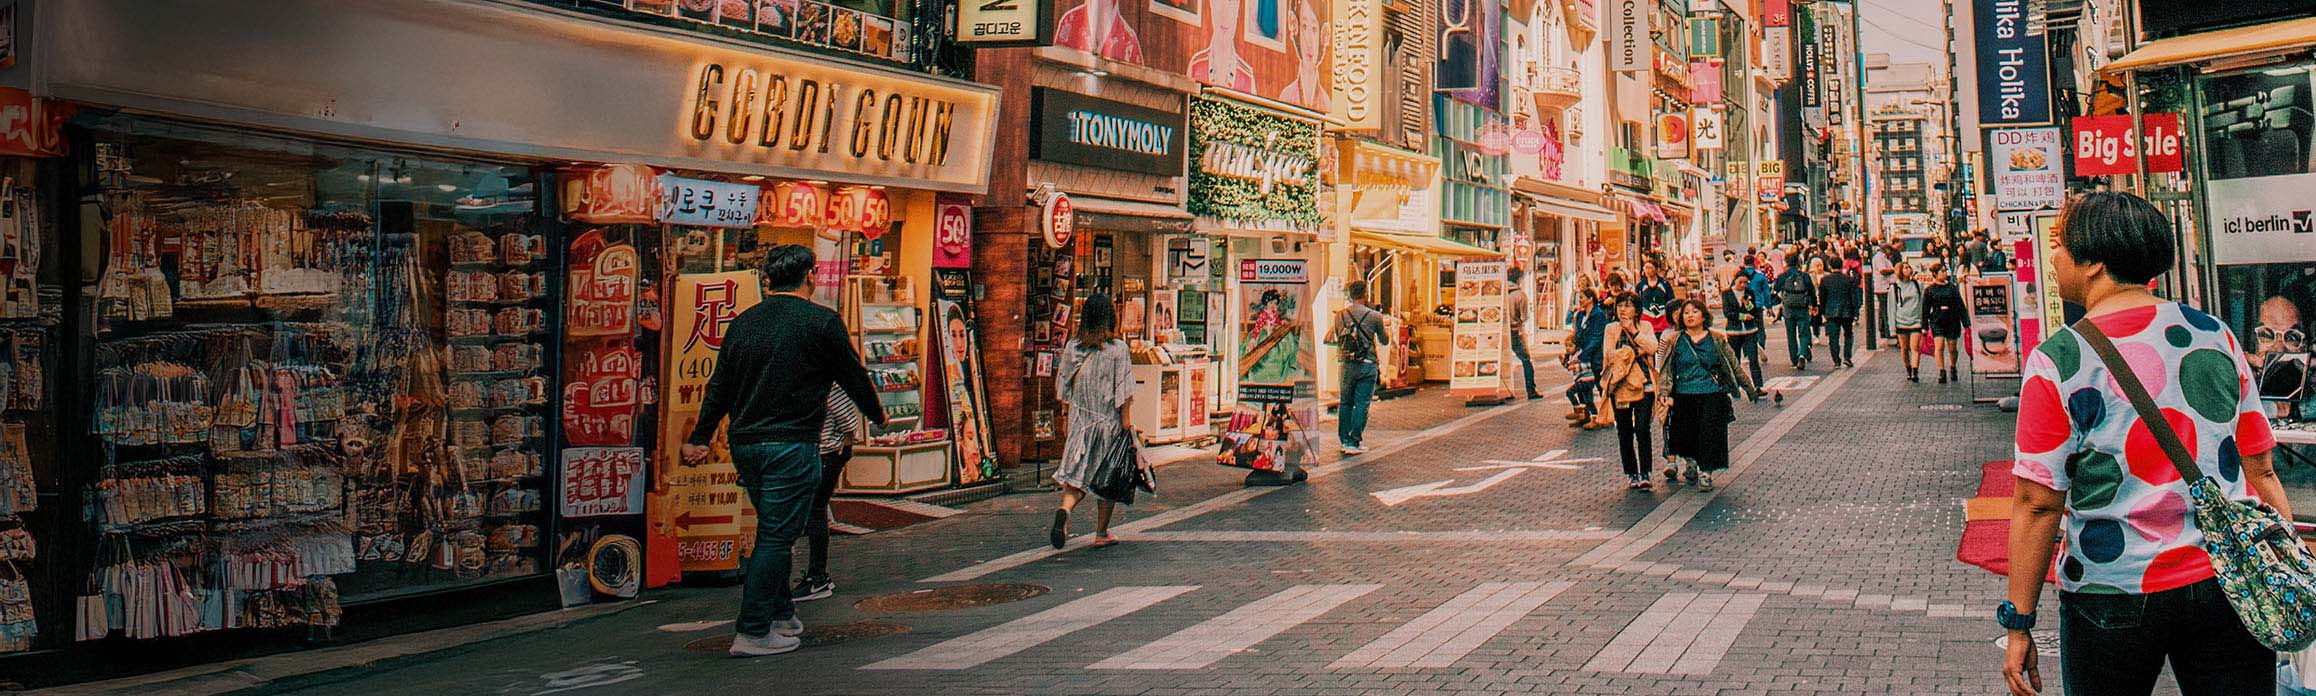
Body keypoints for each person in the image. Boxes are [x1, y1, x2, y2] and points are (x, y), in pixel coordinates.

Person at [2001, 192, 2295, 696]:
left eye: (2061, 246)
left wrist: (2018, 619)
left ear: (2093, 262)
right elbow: (2260, 470)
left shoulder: (2060, 360)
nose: (2053, 258)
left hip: (2111, 589)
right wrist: (2283, 573)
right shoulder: (2215, 335)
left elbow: (2037, 503)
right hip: (2225, 579)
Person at [685, 244, 887, 658]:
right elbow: (854, 376)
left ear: (768, 279)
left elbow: (719, 386)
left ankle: (781, 614)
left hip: (746, 445)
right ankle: (753, 630)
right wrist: (878, 415)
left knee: (772, 531)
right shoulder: (821, 323)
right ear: (810, 275)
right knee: (777, 538)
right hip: (791, 444)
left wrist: (701, 436)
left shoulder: (744, 323)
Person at [1050, 294, 1136, 550]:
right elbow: (1123, 392)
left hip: (1080, 421)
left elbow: (1062, 386)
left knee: (1077, 475)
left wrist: (1067, 416)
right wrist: (1127, 425)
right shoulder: (1118, 349)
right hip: (1107, 422)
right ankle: (1101, 532)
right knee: (1106, 478)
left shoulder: (1073, 347)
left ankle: (1065, 509)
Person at [1655, 299, 1764, 491]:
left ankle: (1706, 473)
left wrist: (1748, 387)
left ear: (1704, 316)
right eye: (1686, 312)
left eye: (1694, 311)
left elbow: (1733, 364)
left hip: (1712, 394)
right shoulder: (1675, 340)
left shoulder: (1717, 339)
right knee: (1686, 435)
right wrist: (1664, 391)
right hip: (1684, 394)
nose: (1689, 315)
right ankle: (1691, 462)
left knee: (1710, 434)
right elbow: (1666, 369)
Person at [793, 385, 862, 603]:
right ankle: (818, 576)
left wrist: (845, 448)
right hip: (819, 453)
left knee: (815, 510)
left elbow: (849, 421)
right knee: (815, 511)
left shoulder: (828, 384)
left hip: (825, 454)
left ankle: (818, 577)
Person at [1603, 295, 1660, 490]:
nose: (1623, 310)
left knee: (1643, 428)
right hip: (1620, 386)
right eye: (1619, 306)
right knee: (1624, 431)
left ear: (1637, 309)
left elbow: (1653, 347)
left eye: (1628, 306)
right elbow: (1609, 355)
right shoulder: (1611, 329)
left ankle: (1645, 472)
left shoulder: (1645, 327)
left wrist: (1633, 332)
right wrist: (1635, 352)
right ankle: (1632, 472)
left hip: (1645, 385)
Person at [1330, 281, 1387, 453]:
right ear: (1366, 294)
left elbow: (1338, 336)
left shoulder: (1339, 316)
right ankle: (1354, 441)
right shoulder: (1375, 316)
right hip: (1367, 364)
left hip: (1346, 364)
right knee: (1362, 403)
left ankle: (1344, 440)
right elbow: (1384, 340)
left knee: (1346, 402)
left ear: (1350, 295)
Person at [1565, 291, 1611, 429]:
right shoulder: (1580, 315)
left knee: (1599, 386)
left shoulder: (1598, 315)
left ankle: (1602, 417)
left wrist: (1583, 354)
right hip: (1582, 355)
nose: (1580, 300)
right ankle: (1583, 416)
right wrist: (1572, 353)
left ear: (1591, 299)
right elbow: (1578, 335)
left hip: (1595, 357)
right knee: (1582, 390)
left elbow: (1597, 337)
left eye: (1582, 297)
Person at [1923, 264, 1968, 384]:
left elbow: (1960, 305)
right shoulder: (1929, 290)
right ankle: (1941, 371)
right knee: (1939, 346)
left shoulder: (1952, 288)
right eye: (1942, 271)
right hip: (1937, 320)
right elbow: (1925, 309)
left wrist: (1966, 322)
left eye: (1945, 271)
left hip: (1952, 319)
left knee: (1952, 348)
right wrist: (1924, 326)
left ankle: (1953, 367)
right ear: (1935, 274)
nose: (1944, 273)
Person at [1720, 275, 1766, 387]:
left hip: (1750, 331)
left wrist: (1747, 303)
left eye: (1746, 282)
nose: (1743, 285)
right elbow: (1727, 312)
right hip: (1734, 331)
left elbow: (1754, 310)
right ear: (1734, 280)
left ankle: (1758, 386)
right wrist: (1743, 317)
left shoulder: (1749, 292)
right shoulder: (1727, 293)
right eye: (1740, 282)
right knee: (1735, 360)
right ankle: (1737, 385)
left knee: (1753, 359)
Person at [1818, 257, 1863, 368]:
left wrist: (1823, 311)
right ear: (1842, 265)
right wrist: (1856, 311)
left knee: (1833, 337)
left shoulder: (1825, 280)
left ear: (1830, 266)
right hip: (1847, 311)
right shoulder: (1848, 280)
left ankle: (1836, 360)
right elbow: (1854, 297)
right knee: (1848, 334)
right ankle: (1847, 357)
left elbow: (1822, 298)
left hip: (1831, 311)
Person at [1775, 253, 1818, 369]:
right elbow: (1811, 292)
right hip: (1802, 308)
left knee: (1791, 334)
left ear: (1786, 263)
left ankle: (1794, 359)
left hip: (1788, 309)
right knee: (1804, 333)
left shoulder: (1783, 276)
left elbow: (1776, 290)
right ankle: (1802, 353)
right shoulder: (1804, 276)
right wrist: (1814, 305)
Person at [1505, 267, 1542, 400]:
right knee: (1526, 360)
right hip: (1515, 331)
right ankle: (1531, 390)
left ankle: (1503, 389)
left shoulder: (1501, 293)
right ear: (1519, 279)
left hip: (1500, 332)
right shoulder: (1520, 295)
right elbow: (1524, 317)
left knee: (1502, 361)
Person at [1890, 263, 1927, 383]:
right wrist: (1892, 328)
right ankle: (1908, 369)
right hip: (1901, 321)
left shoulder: (1917, 285)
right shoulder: (1894, 287)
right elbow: (1891, 308)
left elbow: (1922, 303)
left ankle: (1915, 371)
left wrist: (1924, 321)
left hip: (1916, 321)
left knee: (1915, 347)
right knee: (1904, 348)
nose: (1908, 269)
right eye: (1905, 267)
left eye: (1909, 267)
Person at [1636, 262, 1674, 332]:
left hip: (1662, 317)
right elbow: (1637, 301)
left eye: (1650, 268)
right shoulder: (1641, 285)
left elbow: (1671, 300)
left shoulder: (1664, 284)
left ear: (1656, 269)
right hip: (1646, 317)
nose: (1647, 270)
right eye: (1646, 268)